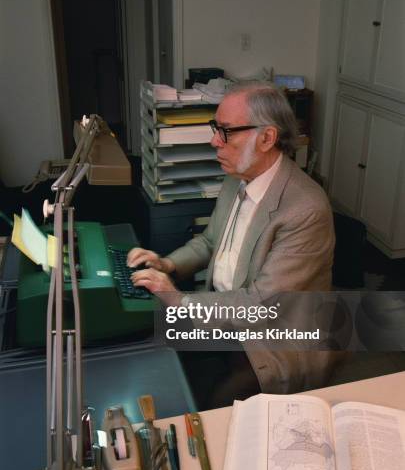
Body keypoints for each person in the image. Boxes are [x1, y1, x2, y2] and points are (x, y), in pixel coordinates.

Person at [128, 84, 343, 404]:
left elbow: (259, 306)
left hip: (272, 338)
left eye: (225, 131)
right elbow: (209, 241)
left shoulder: (305, 210)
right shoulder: (238, 177)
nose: (214, 140)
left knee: (211, 404)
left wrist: (177, 299)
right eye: (216, 128)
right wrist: (167, 264)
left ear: (267, 138)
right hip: (223, 316)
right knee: (141, 348)